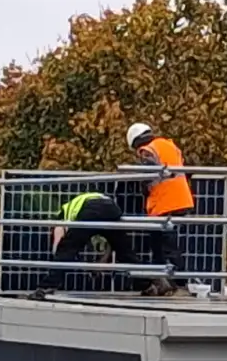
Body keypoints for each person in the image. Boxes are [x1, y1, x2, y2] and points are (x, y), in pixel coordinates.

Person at [28, 191, 172, 300]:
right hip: (112, 209)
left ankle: (47, 286)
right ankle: (147, 284)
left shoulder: (63, 213)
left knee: (67, 249)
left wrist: (56, 253)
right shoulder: (84, 201)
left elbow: (60, 239)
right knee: (126, 253)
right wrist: (101, 263)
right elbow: (111, 244)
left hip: (91, 211)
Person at [126, 122, 194, 296]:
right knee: (158, 244)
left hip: (165, 203)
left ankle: (180, 285)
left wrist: (142, 186)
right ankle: (164, 283)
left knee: (166, 246)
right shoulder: (169, 145)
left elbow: (149, 174)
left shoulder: (147, 149)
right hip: (180, 199)